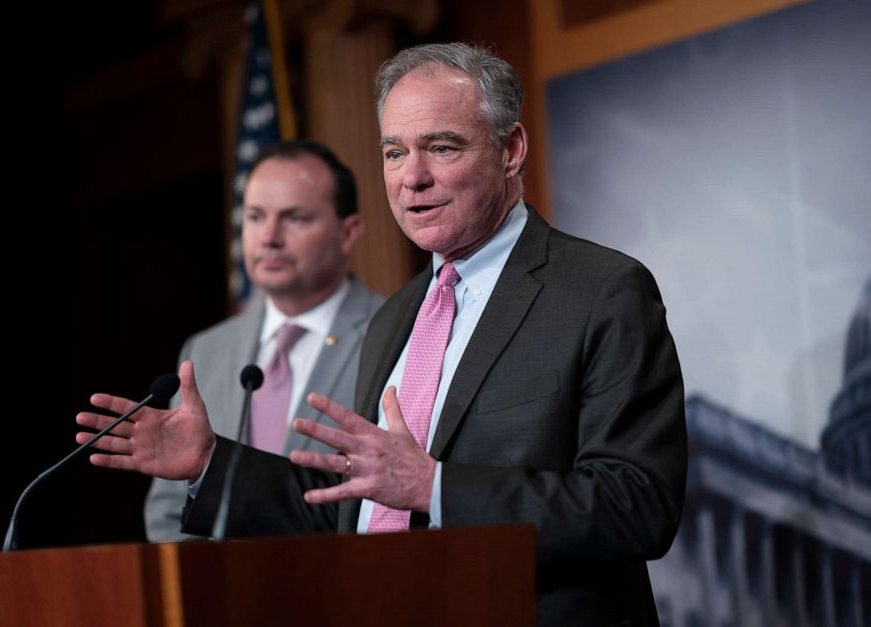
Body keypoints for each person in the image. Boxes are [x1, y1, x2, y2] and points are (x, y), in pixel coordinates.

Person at [78, 43, 686, 627]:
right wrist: (212, 465)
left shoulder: (601, 290)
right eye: (394, 153)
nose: (411, 178)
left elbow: (637, 505)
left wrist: (436, 487)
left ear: (511, 149)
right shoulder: (397, 316)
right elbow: (351, 512)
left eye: (441, 147)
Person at [144, 140, 384, 542]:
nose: (269, 237)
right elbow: (168, 509)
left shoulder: (393, 332)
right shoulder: (205, 350)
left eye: (295, 219)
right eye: (255, 217)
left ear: (348, 233)